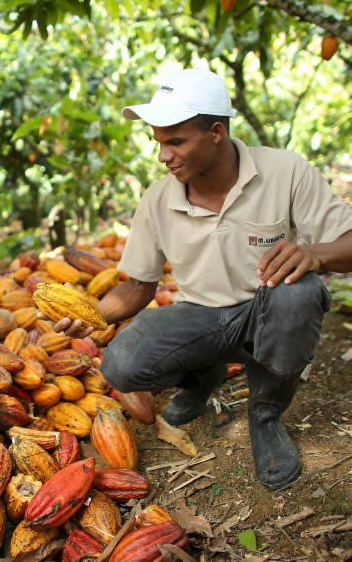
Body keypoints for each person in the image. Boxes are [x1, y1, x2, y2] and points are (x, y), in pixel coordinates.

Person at [55, 67, 352, 491]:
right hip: (202, 317)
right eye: (159, 142)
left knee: (299, 294)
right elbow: (139, 286)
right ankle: (203, 376)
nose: (164, 155)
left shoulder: (285, 171)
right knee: (120, 363)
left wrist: (315, 253)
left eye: (176, 141)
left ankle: (265, 414)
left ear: (216, 132)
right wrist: (94, 314)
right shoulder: (158, 199)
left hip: (267, 309)